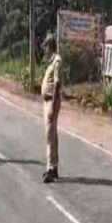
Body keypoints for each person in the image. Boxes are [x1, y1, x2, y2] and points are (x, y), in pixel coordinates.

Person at [40, 33, 63, 183]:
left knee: (49, 136)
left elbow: (57, 84)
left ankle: (50, 168)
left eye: (46, 46)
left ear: (50, 46)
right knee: (52, 136)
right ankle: (54, 167)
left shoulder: (57, 61)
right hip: (47, 101)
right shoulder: (51, 62)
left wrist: (54, 105)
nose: (45, 50)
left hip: (51, 102)